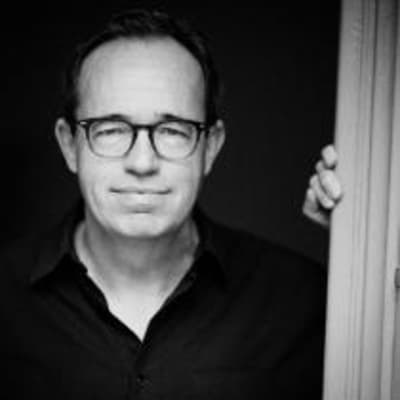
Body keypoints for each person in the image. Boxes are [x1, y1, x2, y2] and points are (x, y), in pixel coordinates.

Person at [0, 9, 342, 400]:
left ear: (210, 147)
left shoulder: (303, 301)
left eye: (173, 131)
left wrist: (364, 247)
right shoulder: (5, 300)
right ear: (69, 145)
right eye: (110, 130)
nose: (142, 163)